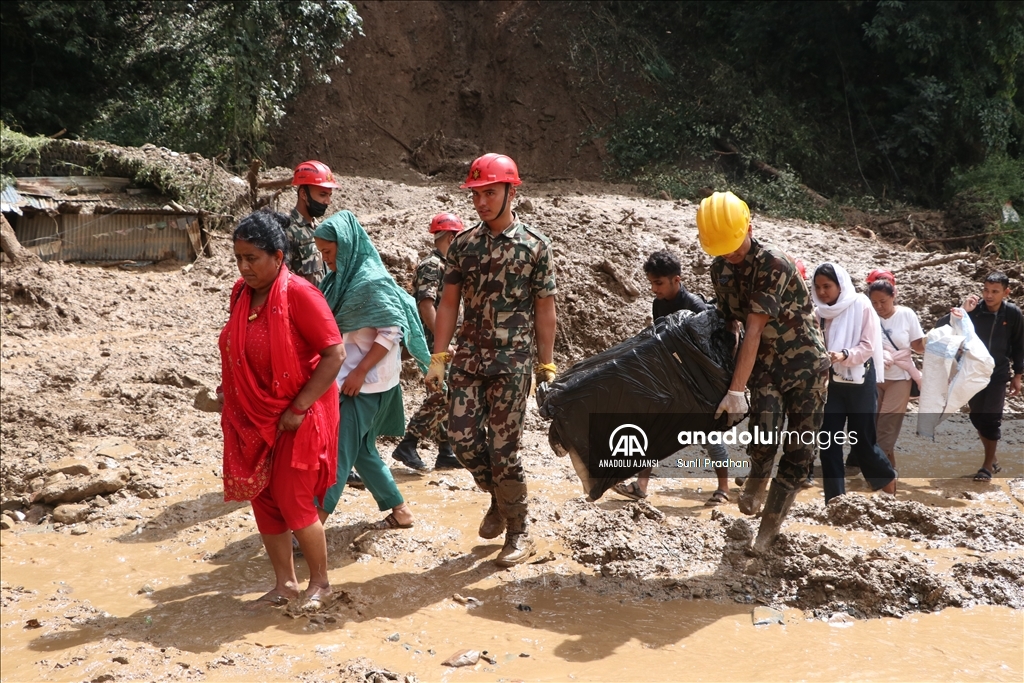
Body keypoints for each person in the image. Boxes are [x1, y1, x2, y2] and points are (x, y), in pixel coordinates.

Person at [426, 153, 557, 567]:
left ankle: (519, 532)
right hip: (467, 359)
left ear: (510, 192)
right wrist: (438, 357)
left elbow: (545, 309)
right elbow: (448, 303)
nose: (481, 202)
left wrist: (546, 365)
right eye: (476, 194)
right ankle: (501, 499)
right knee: (462, 442)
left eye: (490, 193)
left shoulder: (535, 247)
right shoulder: (462, 245)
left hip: (513, 363)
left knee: (505, 451)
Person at [218, 210, 344, 609]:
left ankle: (320, 582)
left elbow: (334, 353)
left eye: (252, 258)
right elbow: (238, 344)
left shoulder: (301, 294)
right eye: (238, 258)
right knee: (264, 497)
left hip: (298, 415)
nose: (243, 267)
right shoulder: (241, 292)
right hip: (253, 414)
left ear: (277, 256)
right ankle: (285, 584)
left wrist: (300, 406)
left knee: (293, 498)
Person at [696, 191, 829, 554]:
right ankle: (757, 477)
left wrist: (736, 390)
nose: (731, 255)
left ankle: (768, 530)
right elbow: (729, 325)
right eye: (722, 249)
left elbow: (753, 327)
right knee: (763, 438)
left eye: (735, 246)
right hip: (765, 366)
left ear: (749, 228)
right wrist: (720, 377)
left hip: (805, 366)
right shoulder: (720, 268)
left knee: (800, 451)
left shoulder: (774, 263)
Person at [312, 210, 431, 530]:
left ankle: (311, 524)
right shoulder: (339, 280)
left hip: (365, 384)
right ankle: (401, 511)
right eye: (321, 253)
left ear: (347, 245)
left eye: (329, 251)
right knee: (362, 451)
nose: (326, 259)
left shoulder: (371, 281)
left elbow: (392, 330)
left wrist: (360, 371)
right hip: (349, 379)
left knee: (338, 452)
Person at [612, 249, 732, 507]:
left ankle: (724, 487)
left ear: (676, 280)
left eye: (659, 283)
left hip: (702, 382)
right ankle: (641, 486)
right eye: (652, 283)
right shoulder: (659, 304)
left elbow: (714, 350)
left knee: (710, 434)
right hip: (673, 377)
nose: (655, 289)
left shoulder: (696, 307)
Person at [811, 262, 897, 504]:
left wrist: (844, 355)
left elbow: (869, 345)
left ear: (841, 285)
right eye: (817, 287)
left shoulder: (861, 305)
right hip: (831, 384)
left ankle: (888, 483)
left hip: (859, 381)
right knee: (829, 441)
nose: (822, 292)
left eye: (827, 286)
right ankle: (835, 500)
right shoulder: (818, 312)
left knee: (862, 441)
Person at [391, 213, 465, 471]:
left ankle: (445, 451)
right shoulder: (433, 265)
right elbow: (425, 305)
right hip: (433, 341)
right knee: (445, 392)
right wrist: (442, 344)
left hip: (441, 339)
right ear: (452, 237)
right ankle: (408, 444)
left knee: (441, 391)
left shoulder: (448, 265)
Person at [937, 271, 1023, 481]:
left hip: (998, 373)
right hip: (971, 372)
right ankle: (992, 456)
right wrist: (962, 310)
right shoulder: (974, 310)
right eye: (986, 290)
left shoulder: (1012, 314)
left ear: (1006, 292)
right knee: (977, 416)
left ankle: (986, 466)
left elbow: (1019, 345)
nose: (989, 295)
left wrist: (1018, 375)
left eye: (995, 291)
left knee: (991, 419)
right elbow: (941, 327)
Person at [867, 269, 924, 469]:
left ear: (894, 296)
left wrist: (941, 337)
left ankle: (878, 476)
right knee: (872, 428)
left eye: (883, 301)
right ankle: (890, 473)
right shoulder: (869, 315)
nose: (879, 307)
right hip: (875, 377)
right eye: (874, 303)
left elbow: (918, 346)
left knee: (886, 429)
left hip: (900, 378)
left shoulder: (906, 314)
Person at [286, 160, 340, 286]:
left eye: (329, 195)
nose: (328, 201)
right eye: (322, 195)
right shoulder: (288, 231)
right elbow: (282, 280)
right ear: (304, 194)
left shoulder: (319, 228)